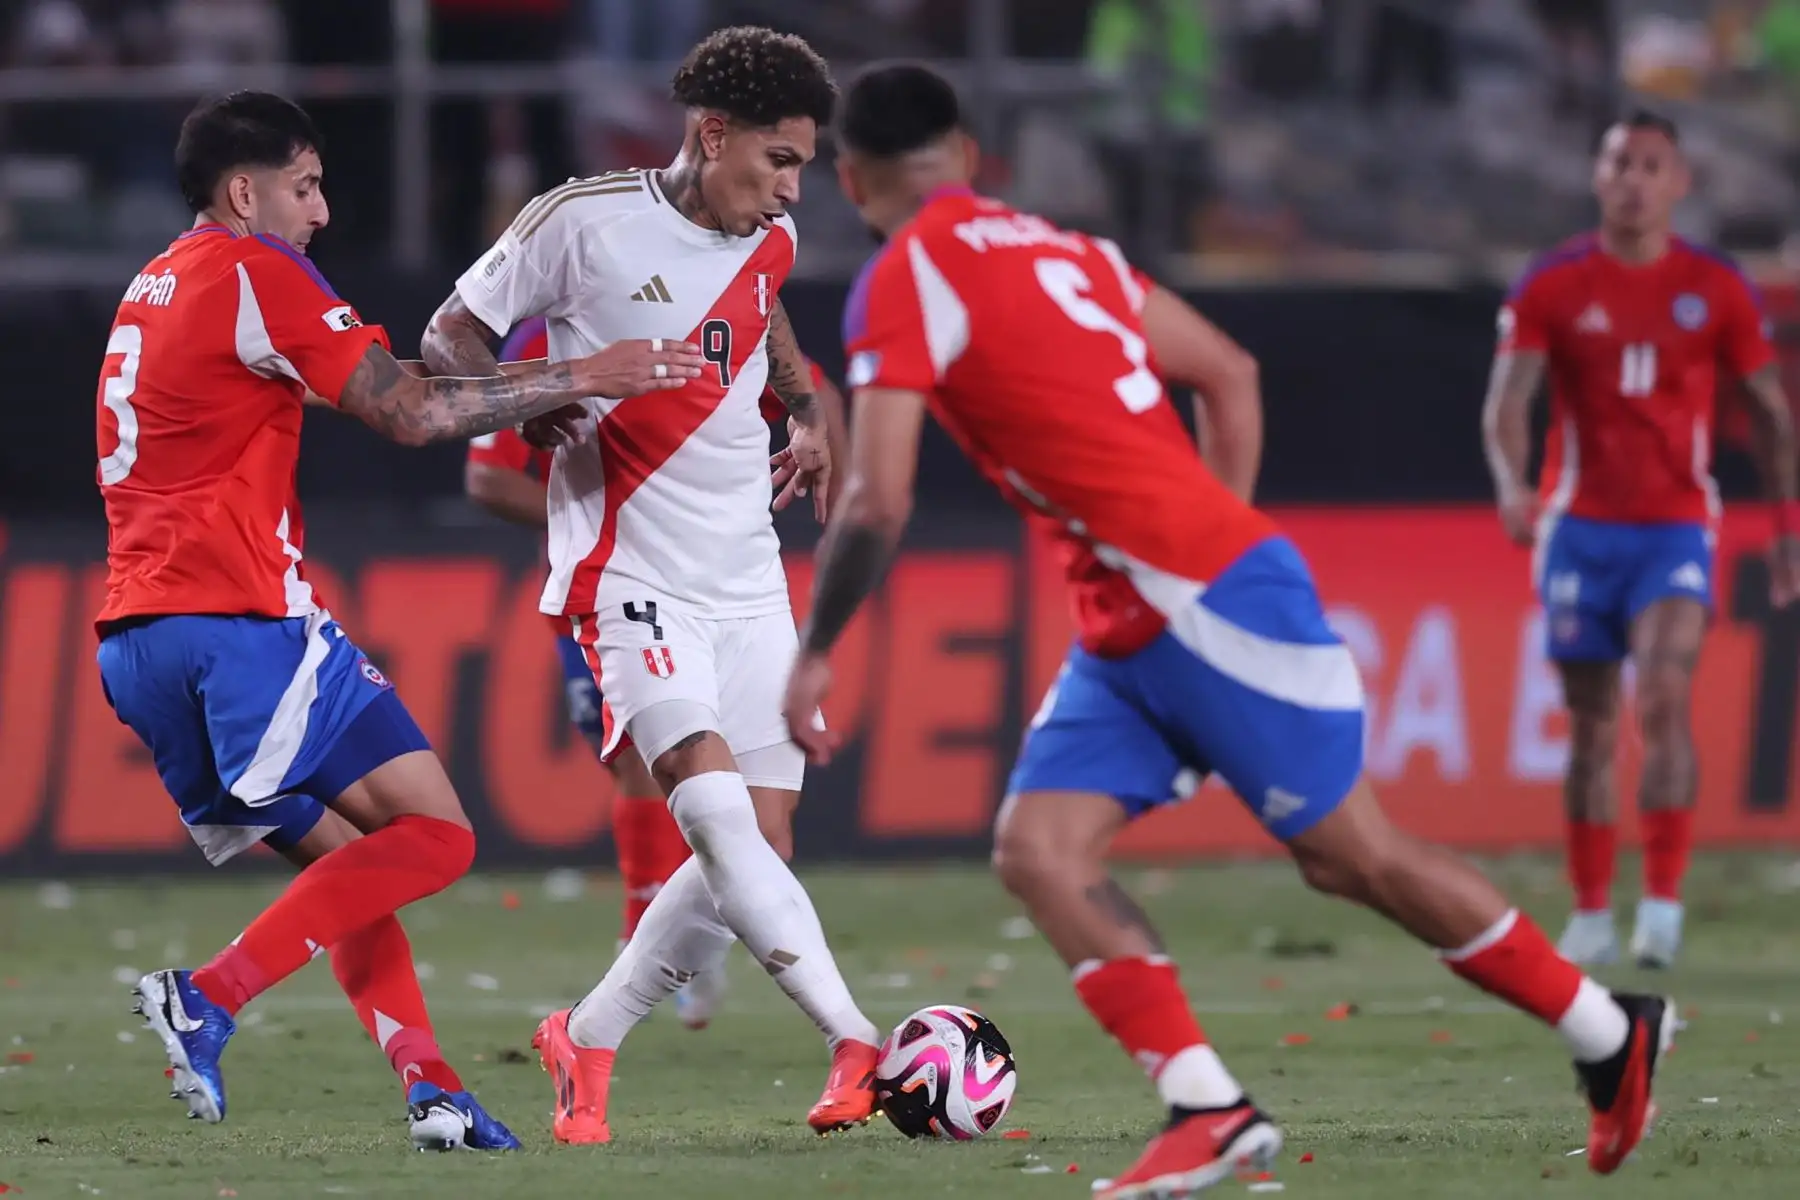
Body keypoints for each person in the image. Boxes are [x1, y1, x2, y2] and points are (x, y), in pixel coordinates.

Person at [785, 62, 1673, 1197]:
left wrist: (815, 648)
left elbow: (878, 498)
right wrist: (1220, 528)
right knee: (1040, 851)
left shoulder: (905, 276)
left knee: (1355, 858)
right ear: (966, 157)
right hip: (1143, 616)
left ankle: (1606, 1030)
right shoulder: (1071, 251)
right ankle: (1208, 1105)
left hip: (1196, 603)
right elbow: (1229, 372)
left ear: (851, 179)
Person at [99, 90, 702, 1151]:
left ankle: (436, 1091)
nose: (321, 211)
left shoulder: (158, 285)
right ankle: (209, 995)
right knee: (436, 834)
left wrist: (521, 386)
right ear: (246, 193)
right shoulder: (258, 271)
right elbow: (412, 415)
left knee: (347, 876)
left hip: (140, 645)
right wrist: (585, 373)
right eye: (305, 185)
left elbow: (376, 385)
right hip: (239, 620)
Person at [419, 27, 879, 1144]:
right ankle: (856, 1035)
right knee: (716, 822)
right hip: (629, 576)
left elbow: (762, 299)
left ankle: (585, 1034)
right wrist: (541, 390)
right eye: (777, 159)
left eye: (803, 165)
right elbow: (447, 338)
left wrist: (808, 411)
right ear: (710, 134)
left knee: (746, 861)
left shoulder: (765, 230)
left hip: (751, 582)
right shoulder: (582, 221)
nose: (791, 187)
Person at [1482, 110, 1800, 970]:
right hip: (1580, 530)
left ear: (1679, 183)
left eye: (1651, 165)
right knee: (1590, 727)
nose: (1634, 179)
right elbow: (1511, 400)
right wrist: (1515, 487)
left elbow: (1771, 414)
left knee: (1662, 697)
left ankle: (1661, 903)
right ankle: (1591, 909)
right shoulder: (1553, 283)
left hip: (1674, 527)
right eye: (1621, 162)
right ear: (1598, 175)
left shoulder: (1717, 288)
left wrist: (1784, 526)